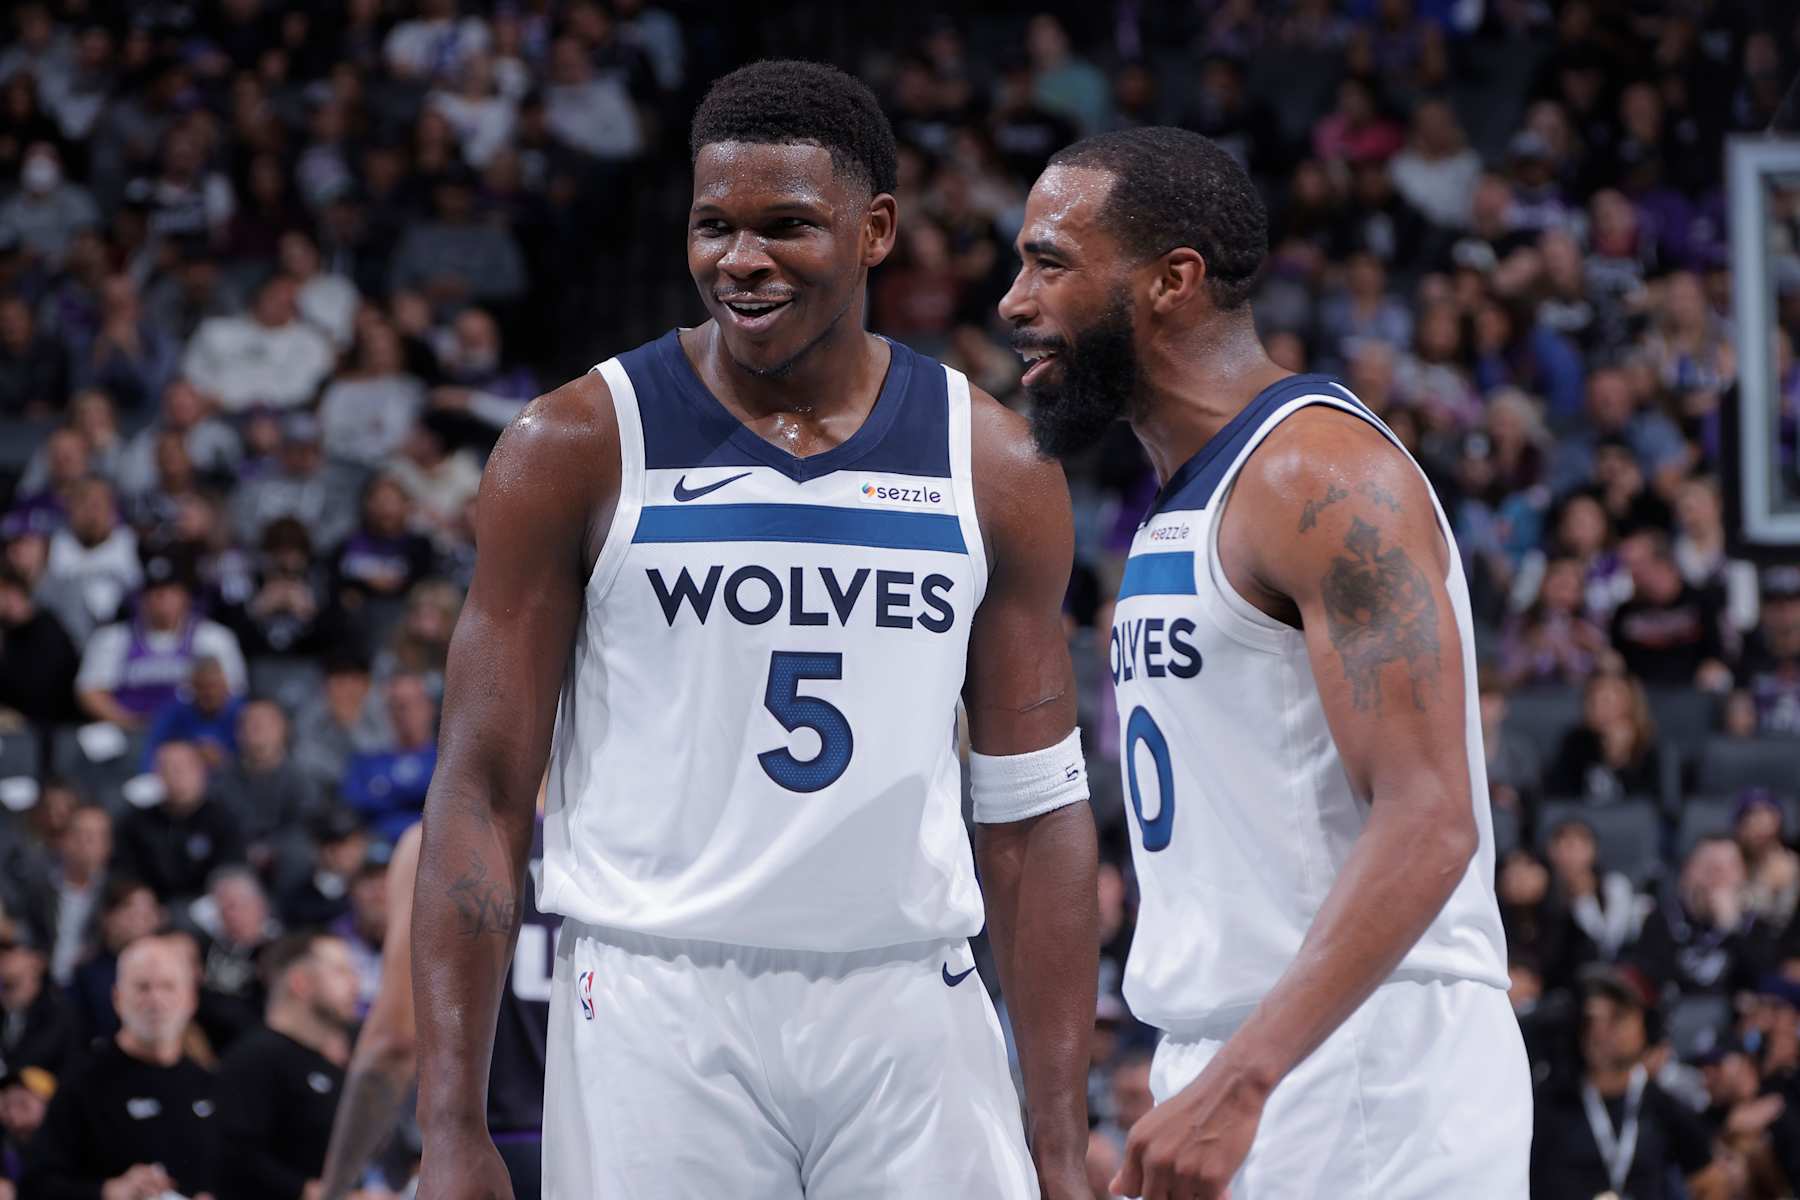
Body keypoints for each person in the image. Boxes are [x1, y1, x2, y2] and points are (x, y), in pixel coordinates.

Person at [412, 60, 1098, 1200]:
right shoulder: (574, 443)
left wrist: (1062, 1140)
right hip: (654, 1000)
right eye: (714, 226)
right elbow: (480, 791)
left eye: (786, 226)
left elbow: (1033, 813)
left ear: (876, 231)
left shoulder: (994, 464)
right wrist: (450, 1127)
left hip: (907, 999)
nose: (741, 260)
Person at [1000, 126, 1526, 1200]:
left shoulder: (1317, 473)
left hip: (1370, 1065)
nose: (1014, 300)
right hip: (1252, 1056)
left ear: (1172, 281)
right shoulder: (1188, 497)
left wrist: (1245, 1076)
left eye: (1050, 262)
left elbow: (1430, 816)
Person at [321, 812, 554, 1199]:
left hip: (495, 1150)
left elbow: (394, 1041)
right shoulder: (608, 837)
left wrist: (335, 1185)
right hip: (607, 1147)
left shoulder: (445, 837)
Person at [23, 935, 220, 1199]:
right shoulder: (83, 1083)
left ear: (191, 999)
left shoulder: (209, 1085)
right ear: (117, 997)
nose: (155, 1000)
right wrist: (109, 1192)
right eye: (142, 987)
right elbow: (35, 1185)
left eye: (168, 987)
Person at [1530, 966, 1724, 1198]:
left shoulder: (1662, 1107)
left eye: (1617, 1016)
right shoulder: (1548, 1103)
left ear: (1646, 1028)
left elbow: (1711, 1182)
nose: (1601, 1030)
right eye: (1592, 1019)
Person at [214, 931, 361, 1200]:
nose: (356, 984)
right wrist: (311, 1192)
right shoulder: (253, 1061)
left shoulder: (327, 1063)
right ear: (301, 983)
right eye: (341, 972)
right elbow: (236, 1157)